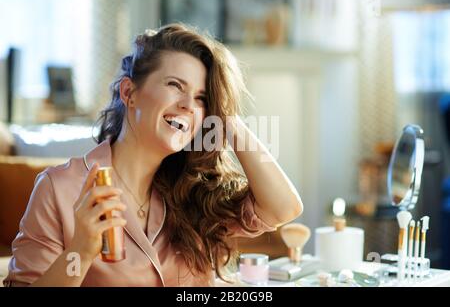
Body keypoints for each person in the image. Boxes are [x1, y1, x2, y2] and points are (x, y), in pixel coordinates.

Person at [4, 24, 302, 287]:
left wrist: (228, 118)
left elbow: (284, 208)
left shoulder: (196, 191)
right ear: (128, 92)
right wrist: (80, 251)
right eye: (175, 85)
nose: (188, 105)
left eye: (201, 98)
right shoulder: (58, 190)